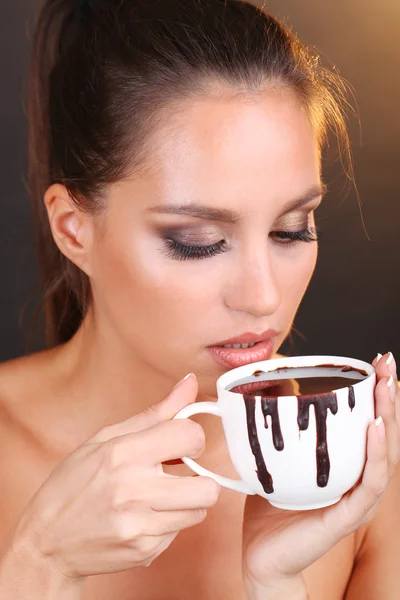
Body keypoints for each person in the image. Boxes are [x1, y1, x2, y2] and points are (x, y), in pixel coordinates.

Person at [0, 0, 399, 598]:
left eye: (292, 229)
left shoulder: (366, 471)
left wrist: (277, 583)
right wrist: (39, 566)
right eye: (199, 242)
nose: (263, 298)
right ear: (73, 229)